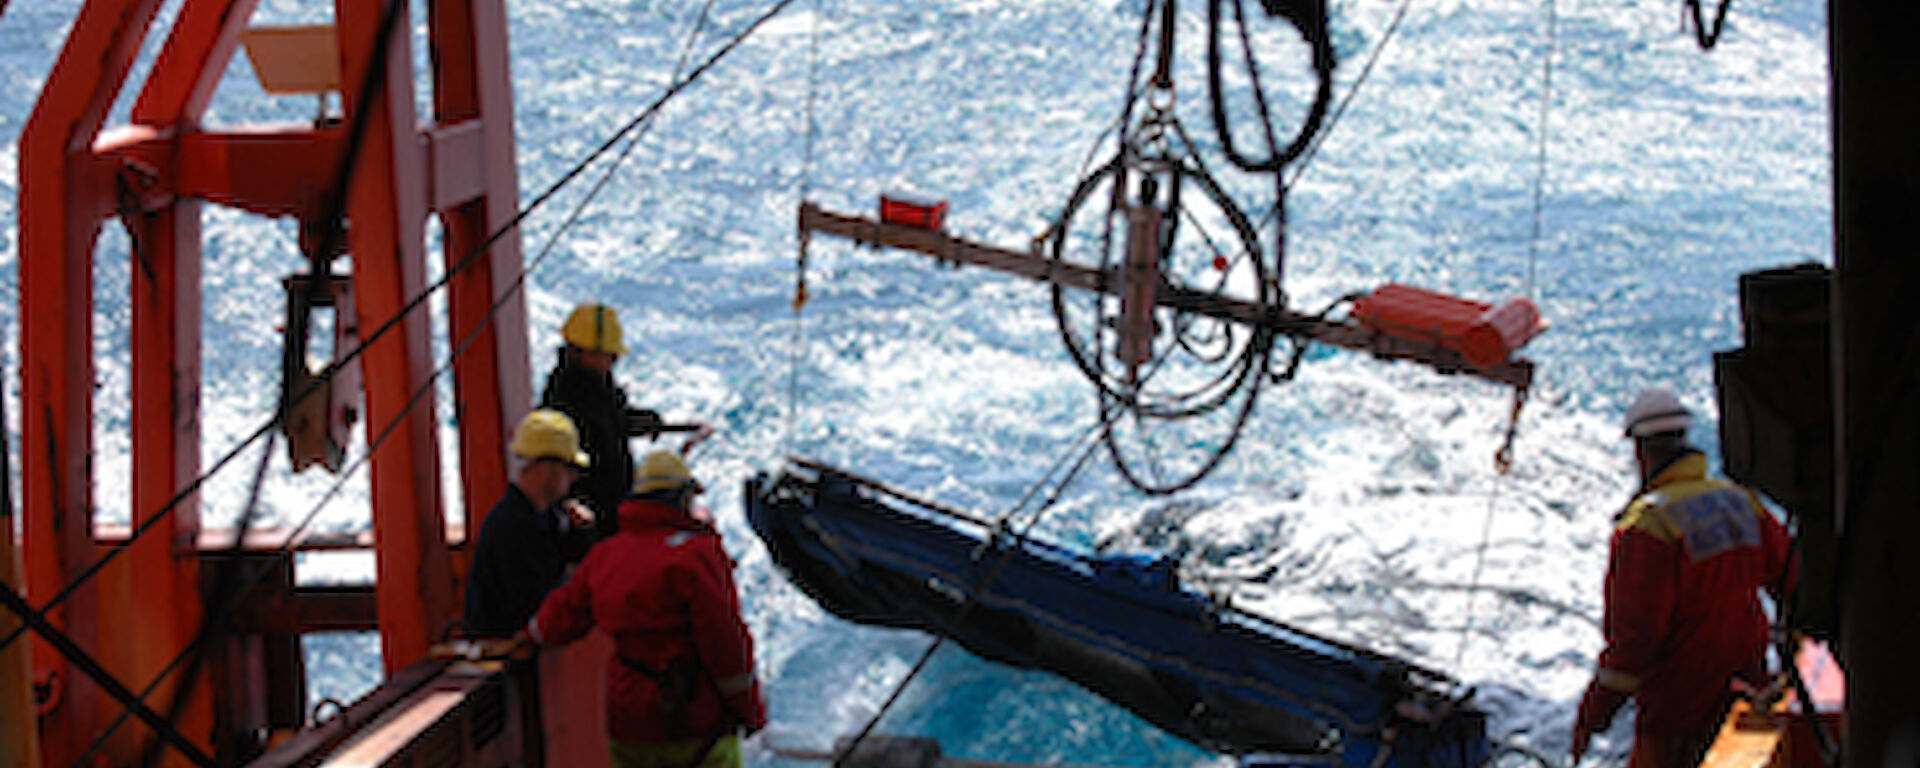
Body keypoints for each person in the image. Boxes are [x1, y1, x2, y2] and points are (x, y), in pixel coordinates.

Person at [1570, 388, 1794, 768]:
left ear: (1640, 452)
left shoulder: (1648, 528)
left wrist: (1591, 718)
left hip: (1677, 718)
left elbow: (1633, 645)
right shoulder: (1741, 502)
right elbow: (1796, 586)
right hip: (1747, 708)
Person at [524, 451, 766, 768]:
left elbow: (560, 616)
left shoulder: (606, 555)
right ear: (682, 499)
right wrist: (750, 711)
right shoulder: (697, 555)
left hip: (628, 724)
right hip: (694, 719)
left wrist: (525, 637)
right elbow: (725, 644)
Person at [540, 303, 692, 537]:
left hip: (614, 505)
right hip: (591, 514)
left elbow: (612, 420)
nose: (614, 360)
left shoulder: (596, 383)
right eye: (608, 354)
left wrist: (642, 421)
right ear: (583, 351)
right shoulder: (564, 399)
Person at [463, 409, 596, 637]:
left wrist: (581, 533)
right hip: (507, 653)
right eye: (570, 468)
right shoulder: (513, 528)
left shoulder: (543, 517)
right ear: (546, 469)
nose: (573, 478)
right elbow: (532, 602)